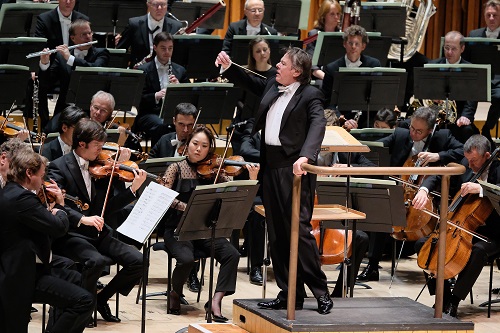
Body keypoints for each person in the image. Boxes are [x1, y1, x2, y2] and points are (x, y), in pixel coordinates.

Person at [216, 47, 333, 314]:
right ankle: (289, 291)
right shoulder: (273, 83)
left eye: (282, 63)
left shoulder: (311, 95)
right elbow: (252, 80)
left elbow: (318, 125)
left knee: (299, 232)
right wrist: (228, 65)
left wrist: (306, 156)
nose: (276, 66)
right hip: (271, 168)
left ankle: (321, 292)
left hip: (295, 170)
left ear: (297, 71)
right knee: (277, 233)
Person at [47, 118, 147, 324]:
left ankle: (100, 300)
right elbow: (58, 205)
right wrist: (83, 218)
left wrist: (133, 189)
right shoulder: (58, 167)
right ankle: (81, 306)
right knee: (96, 262)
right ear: (81, 144)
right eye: (98, 146)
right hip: (73, 233)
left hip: (99, 232)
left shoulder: (102, 168)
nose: (102, 150)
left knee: (138, 261)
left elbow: (108, 207)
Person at [161, 125, 258, 320]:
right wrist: (187, 207)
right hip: (178, 229)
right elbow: (165, 197)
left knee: (232, 253)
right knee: (186, 259)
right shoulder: (176, 168)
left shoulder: (214, 171)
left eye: (204, 146)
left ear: (209, 149)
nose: (198, 149)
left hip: (204, 229)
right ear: (187, 144)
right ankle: (175, 292)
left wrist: (252, 178)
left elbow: (232, 189)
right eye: (195, 144)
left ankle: (216, 300)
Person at [357, 107, 464, 282]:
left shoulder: (442, 136)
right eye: (412, 128)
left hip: (431, 192)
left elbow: (461, 151)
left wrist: (438, 155)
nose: (413, 133)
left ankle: (441, 269)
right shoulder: (401, 133)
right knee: (380, 208)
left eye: (419, 131)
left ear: (430, 130)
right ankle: (372, 266)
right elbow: (378, 145)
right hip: (401, 189)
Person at [0, 148, 94, 333]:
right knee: (83, 301)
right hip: (19, 277)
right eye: (41, 176)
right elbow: (58, 228)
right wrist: (60, 206)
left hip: (28, 268)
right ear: (29, 173)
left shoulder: (10, 192)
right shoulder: (22, 198)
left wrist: (48, 212)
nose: (43, 182)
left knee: (74, 279)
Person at [413, 134, 500, 317]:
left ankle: (454, 301)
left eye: (474, 160)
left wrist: (483, 189)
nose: (469, 165)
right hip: (462, 227)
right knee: (423, 245)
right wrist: (423, 189)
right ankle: (442, 299)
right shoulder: (466, 165)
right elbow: (439, 174)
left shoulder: (498, 170)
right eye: (467, 160)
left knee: (477, 252)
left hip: (493, 233)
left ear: (487, 155)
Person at [147, 102, 202, 293]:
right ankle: (136, 266)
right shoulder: (164, 141)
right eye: (181, 124)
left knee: (196, 221)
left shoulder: (198, 145)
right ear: (174, 121)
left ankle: (192, 274)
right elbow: (150, 166)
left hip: (187, 206)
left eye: (190, 125)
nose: (185, 130)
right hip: (164, 205)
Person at [38, 19, 110, 121]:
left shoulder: (101, 53)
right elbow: (47, 83)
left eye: (89, 33)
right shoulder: (61, 56)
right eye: (83, 34)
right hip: (65, 109)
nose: (88, 37)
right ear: (73, 38)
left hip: (91, 112)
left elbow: (95, 69)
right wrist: (45, 63)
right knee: (49, 131)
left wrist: (71, 59)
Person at [321, 25, 381, 130]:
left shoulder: (374, 65)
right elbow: (327, 102)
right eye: (350, 43)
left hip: (367, 121)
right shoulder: (332, 68)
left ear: (363, 46)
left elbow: (378, 98)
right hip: (342, 121)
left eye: (357, 44)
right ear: (344, 44)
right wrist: (343, 119)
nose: (353, 47)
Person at [136, 32, 189, 146]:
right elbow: (138, 99)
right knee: (162, 124)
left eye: (170, 48)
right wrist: (157, 95)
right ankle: (159, 155)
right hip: (149, 113)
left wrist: (179, 87)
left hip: (174, 113)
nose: (167, 52)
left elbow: (189, 97)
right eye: (163, 48)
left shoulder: (180, 70)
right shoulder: (143, 70)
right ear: (155, 48)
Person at [429, 31, 478, 144]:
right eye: (447, 48)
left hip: (459, 116)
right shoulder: (432, 65)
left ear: (462, 48)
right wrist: (433, 102)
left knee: (467, 130)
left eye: (454, 49)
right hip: (435, 113)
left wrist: (466, 116)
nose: (449, 52)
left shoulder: (470, 69)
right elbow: (424, 94)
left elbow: (472, 99)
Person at [116, 0, 183, 66]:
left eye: (163, 5)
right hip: (139, 70)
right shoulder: (134, 24)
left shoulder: (176, 26)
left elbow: (178, 55)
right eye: (155, 5)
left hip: (165, 71)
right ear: (148, 4)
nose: (159, 8)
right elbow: (121, 51)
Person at [469, 0, 500, 143]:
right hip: (479, 80)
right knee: (465, 93)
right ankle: (468, 129)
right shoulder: (474, 34)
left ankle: (487, 127)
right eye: (488, 15)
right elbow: (468, 60)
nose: (492, 18)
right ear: (484, 15)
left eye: (495, 15)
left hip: (499, 82)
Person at [306, 0, 342, 79]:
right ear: (323, 16)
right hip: (320, 77)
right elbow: (312, 65)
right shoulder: (313, 35)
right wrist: (327, 79)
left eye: (338, 14)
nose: (336, 17)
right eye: (332, 14)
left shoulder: (342, 35)